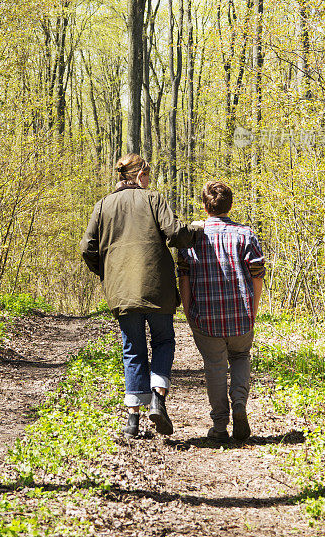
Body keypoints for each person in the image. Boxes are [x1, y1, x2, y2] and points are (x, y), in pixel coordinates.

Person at [80, 153, 202, 438]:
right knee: (163, 341)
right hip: (157, 287)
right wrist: (196, 231)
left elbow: (87, 248)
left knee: (132, 349)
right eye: (147, 174)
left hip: (122, 289)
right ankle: (158, 398)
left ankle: (133, 419)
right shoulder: (153, 199)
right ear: (138, 176)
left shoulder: (103, 205)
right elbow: (174, 233)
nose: (149, 179)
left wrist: (106, 272)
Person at [177, 180, 265, 444]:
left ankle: (219, 425)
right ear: (231, 204)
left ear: (205, 206)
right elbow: (258, 275)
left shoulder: (192, 237)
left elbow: (184, 276)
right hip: (240, 313)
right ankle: (239, 403)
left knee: (214, 366)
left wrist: (188, 310)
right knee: (240, 356)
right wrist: (254, 307)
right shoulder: (245, 234)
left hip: (206, 315)